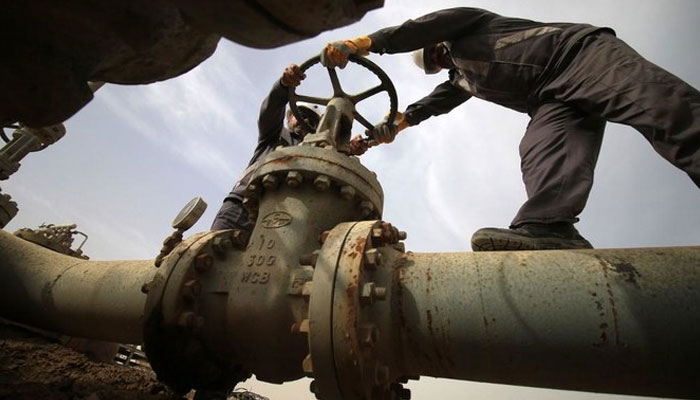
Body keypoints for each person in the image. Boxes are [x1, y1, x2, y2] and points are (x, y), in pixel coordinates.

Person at [320, 7, 700, 251]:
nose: (439, 57)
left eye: (435, 51)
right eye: (435, 62)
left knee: (662, 108)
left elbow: (421, 28)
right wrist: (390, 128)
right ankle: (550, 228)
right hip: (550, 97)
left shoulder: (469, 25)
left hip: (581, 55)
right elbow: (428, 107)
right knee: (540, 149)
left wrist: (367, 44)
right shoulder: (463, 80)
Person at [211, 64, 369, 232]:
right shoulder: (274, 134)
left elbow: (332, 164)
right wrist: (283, 85)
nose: (306, 121)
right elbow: (271, 109)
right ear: (289, 117)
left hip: (286, 219)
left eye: (313, 120)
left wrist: (350, 148)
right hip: (242, 206)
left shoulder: (320, 151)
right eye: (301, 115)